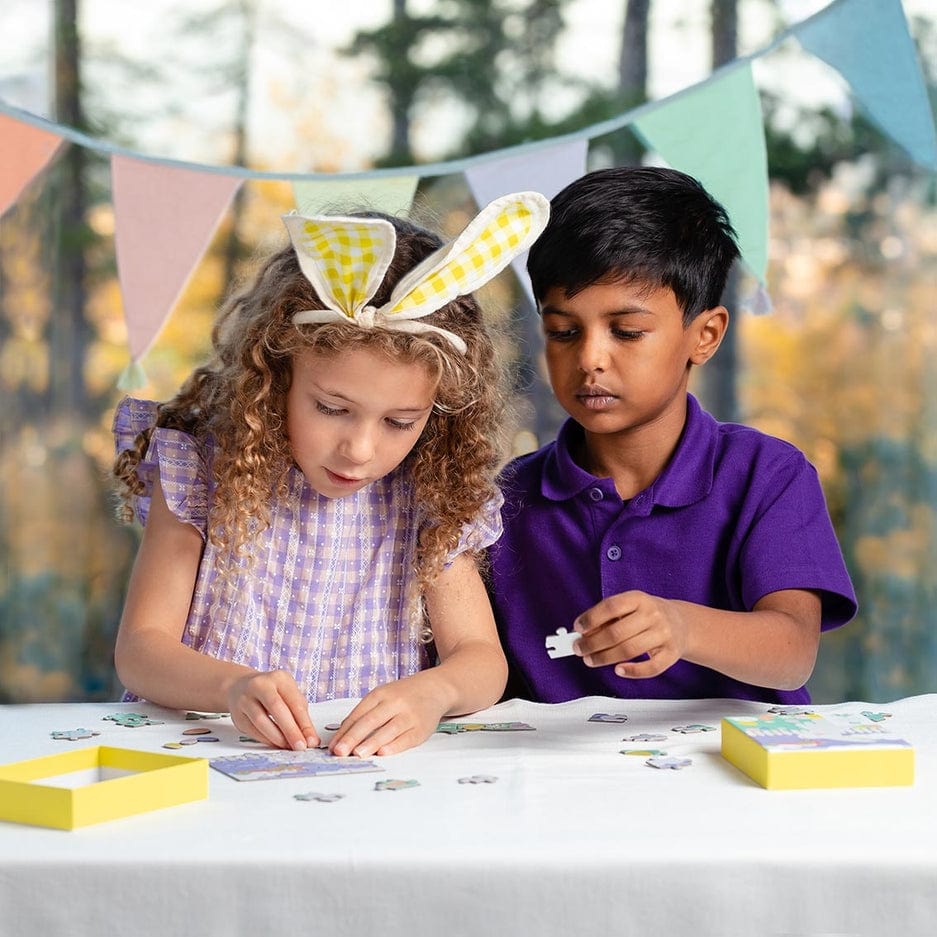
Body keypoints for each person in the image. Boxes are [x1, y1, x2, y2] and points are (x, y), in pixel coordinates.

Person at [112, 191, 549, 755]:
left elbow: (480, 658)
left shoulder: (429, 496)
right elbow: (142, 650)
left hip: (360, 777)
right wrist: (232, 686)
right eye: (332, 409)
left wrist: (433, 693)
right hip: (204, 759)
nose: (360, 450)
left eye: (399, 421)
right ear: (276, 374)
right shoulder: (201, 469)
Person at [488, 167, 857, 705]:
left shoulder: (767, 475)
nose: (589, 358)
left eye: (627, 332)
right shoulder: (503, 501)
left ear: (704, 335)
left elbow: (793, 652)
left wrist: (681, 626)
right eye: (563, 332)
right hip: (560, 782)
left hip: (732, 776)